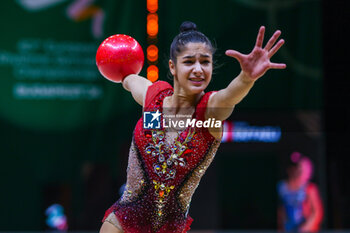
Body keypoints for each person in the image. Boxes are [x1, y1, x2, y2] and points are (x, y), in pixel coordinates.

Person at [100, 21, 286, 233]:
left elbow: (229, 96)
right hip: (121, 223)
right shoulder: (154, 99)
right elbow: (129, 79)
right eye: (189, 62)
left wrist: (246, 78)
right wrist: (116, 62)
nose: (198, 69)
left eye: (205, 62)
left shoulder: (209, 113)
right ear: (173, 67)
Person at [277, 152, 324, 232]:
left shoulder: (309, 188)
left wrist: (306, 227)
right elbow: (281, 210)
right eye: (293, 167)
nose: (295, 170)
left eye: (298, 167)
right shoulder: (282, 187)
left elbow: (317, 213)